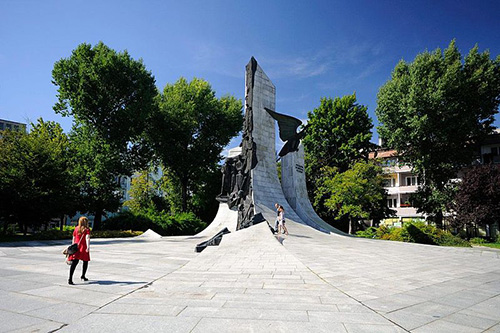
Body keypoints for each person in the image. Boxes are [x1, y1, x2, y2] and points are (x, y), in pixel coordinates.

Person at [68, 216, 91, 285]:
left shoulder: (76, 228)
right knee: (85, 261)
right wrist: (88, 246)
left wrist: (73, 246)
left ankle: (70, 278)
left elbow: (74, 238)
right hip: (83, 247)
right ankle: (83, 276)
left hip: (76, 247)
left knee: (74, 263)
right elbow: (87, 238)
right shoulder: (87, 229)